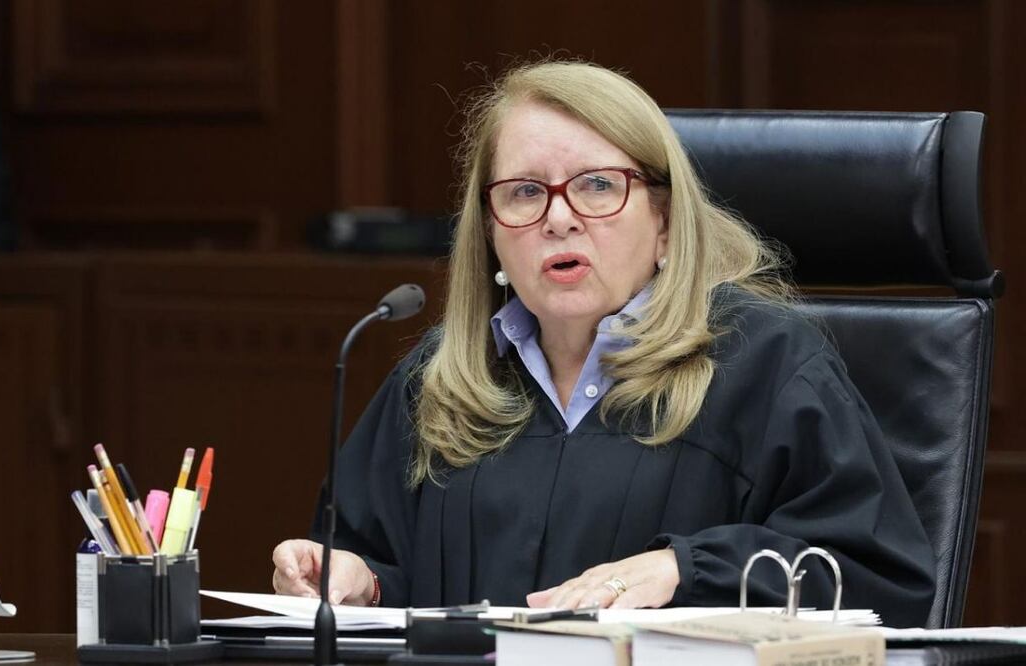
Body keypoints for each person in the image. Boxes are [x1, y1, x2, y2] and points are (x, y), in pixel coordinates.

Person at [271, 60, 935, 627]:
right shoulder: (440, 379)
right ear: (490, 233)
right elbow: (388, 572)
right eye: (525, 192)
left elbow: (874, 582)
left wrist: (684, 570)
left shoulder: (766, 365)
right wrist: (357, 581)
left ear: (665, 222)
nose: (559, 218)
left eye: (597, 186)